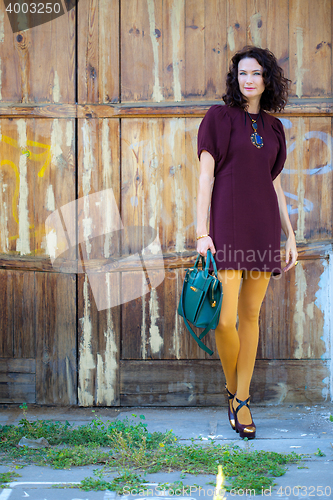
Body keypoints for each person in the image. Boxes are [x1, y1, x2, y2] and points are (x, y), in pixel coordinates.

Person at [196, 46, 298, 439]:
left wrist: (289, 234)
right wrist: (202, 232)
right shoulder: (218, 119)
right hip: (226, 226)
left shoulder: (274, 128)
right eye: (242, 74)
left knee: (251, 317)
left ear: (267, 79)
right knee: (224, 320)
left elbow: (274, 184)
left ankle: (242, 398)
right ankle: (233, 391)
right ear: (235, 79)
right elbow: (206, 178)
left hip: (262, 228)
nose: (249, 80)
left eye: (256, 73)